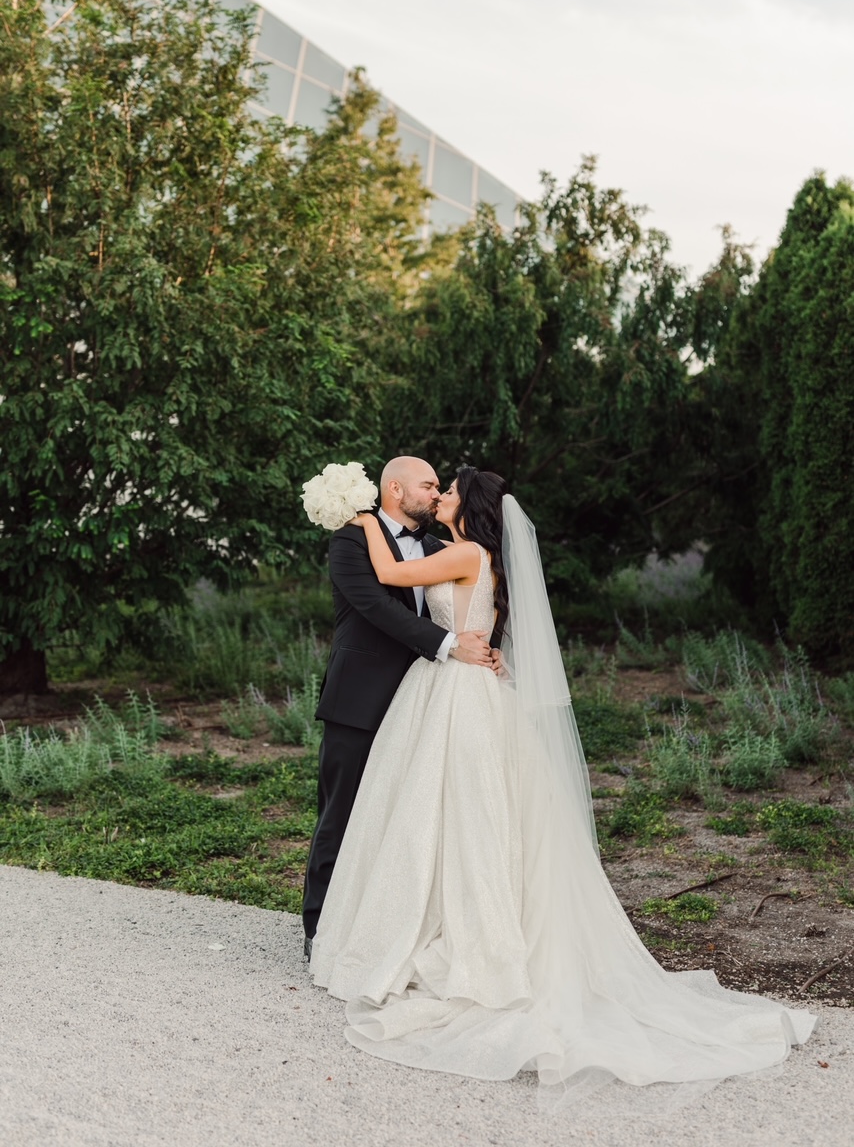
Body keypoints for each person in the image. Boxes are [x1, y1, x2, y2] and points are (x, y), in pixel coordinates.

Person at [309, 466, 815, 1103]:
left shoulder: (461, 550)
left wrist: (359, 520)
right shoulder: (470, 552)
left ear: (470, 505)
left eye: (451, 489)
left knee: (451, 813)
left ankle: (444, 936)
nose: (441, 495)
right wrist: (477, 641)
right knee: (452, 813)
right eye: (434, 486)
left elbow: (390, 577)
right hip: (460, 688)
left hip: (456, 697)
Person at [301, 456, 494, 962]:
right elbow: (375, 606)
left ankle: (381, 926)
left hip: (424, 705)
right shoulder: (348, 539)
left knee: (402, 819)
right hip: (360, 698)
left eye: (439, 487)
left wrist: (488, 648)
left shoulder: (439, 547)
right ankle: (319, 927)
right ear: (394, 489)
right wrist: (452, 643)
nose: (436, 494)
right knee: (340, 814)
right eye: (429, 485)